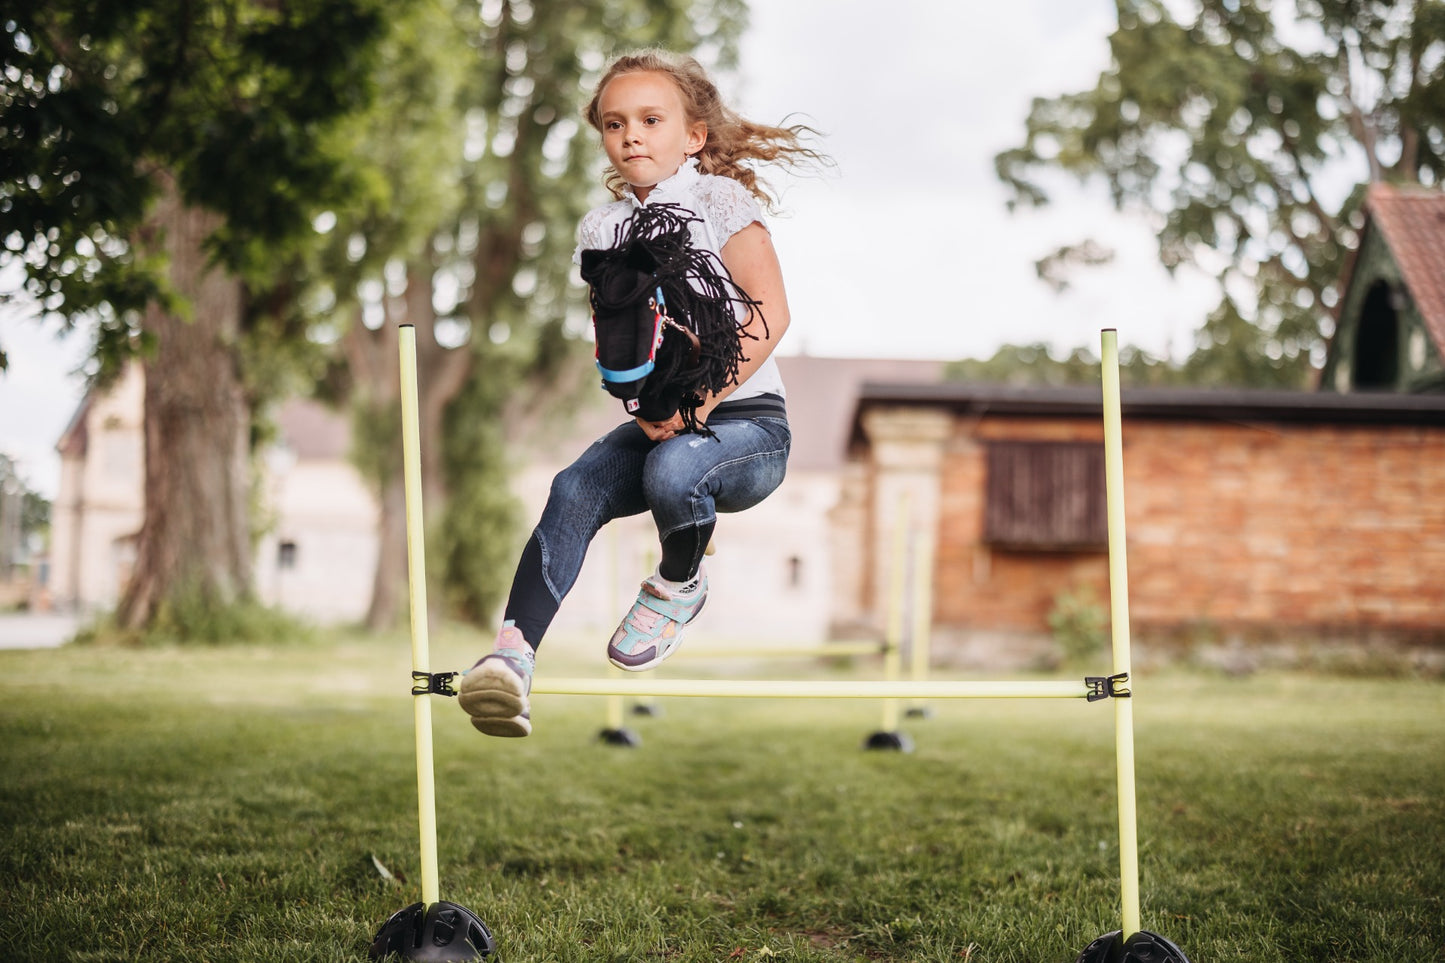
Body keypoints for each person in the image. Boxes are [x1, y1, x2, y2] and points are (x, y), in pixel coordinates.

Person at [458, 49, 823, 738]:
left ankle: (678, 583)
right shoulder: (603, 229)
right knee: (573, 486)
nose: (630, 135)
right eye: (613, 122)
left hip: (747, 425)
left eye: (651, 120)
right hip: (666, 417)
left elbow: (770, 311)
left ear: (692, 135)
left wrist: (697, 404)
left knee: (674, 467)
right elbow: (626, 345)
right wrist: (649, 401)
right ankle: (510, 660)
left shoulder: (719, 201)